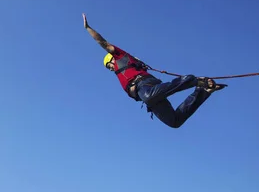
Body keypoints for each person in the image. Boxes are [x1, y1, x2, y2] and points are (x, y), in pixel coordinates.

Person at [82, 13, 226, 128]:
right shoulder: (120, 72)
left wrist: (88, 28)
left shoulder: (120, 56)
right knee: (174, 122)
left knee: (148, 96)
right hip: (149, 99)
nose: (111, 68)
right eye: (108, 68)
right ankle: (203, 91)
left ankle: (192, 80)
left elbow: (102, 42)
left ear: (112, 58)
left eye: (109, 64)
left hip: (145, 85)